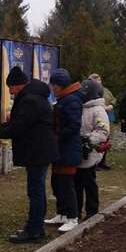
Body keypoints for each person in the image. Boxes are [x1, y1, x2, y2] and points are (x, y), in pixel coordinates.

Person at [0, 66, 58, 243]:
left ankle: (34, 230)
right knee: (37, 190)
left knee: (35, 191)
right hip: (40, 150)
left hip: (37, 151)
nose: (10, 92)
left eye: (10, 88)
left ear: (17, 86)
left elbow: (18, 127)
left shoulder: (29, 100)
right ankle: (36, 227)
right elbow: (18, 123)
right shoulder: (35, 96)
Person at [45, 68, 83, 233]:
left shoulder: (72, 100)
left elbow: (73, 126)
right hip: (60, 149)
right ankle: (62, 213)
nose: (52, 88)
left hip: (68, 149)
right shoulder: (64, 99)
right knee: (57, 183)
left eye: (53, 85)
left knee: (67, 185)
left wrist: (56, 137)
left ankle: (73, 217)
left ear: (60, 85)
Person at [75, 79, 110, 220]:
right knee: (76, 183)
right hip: (77, 150)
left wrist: (88, 140)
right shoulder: (79, 107)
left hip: (90, 152)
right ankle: (76, 211)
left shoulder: (99, 110)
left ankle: (92, 210)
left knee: (89, 182)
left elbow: (102, 131)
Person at [88, 73, 115, 170]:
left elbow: (113, 99)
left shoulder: (106, 90)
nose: (97, 81)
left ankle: (102, 162)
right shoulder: (89, 92)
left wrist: (111, 105)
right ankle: (94, 163)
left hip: (107, 117)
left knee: (105, 140)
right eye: (94, 80)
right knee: (96, 141)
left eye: (98, 79)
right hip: (95, 118)